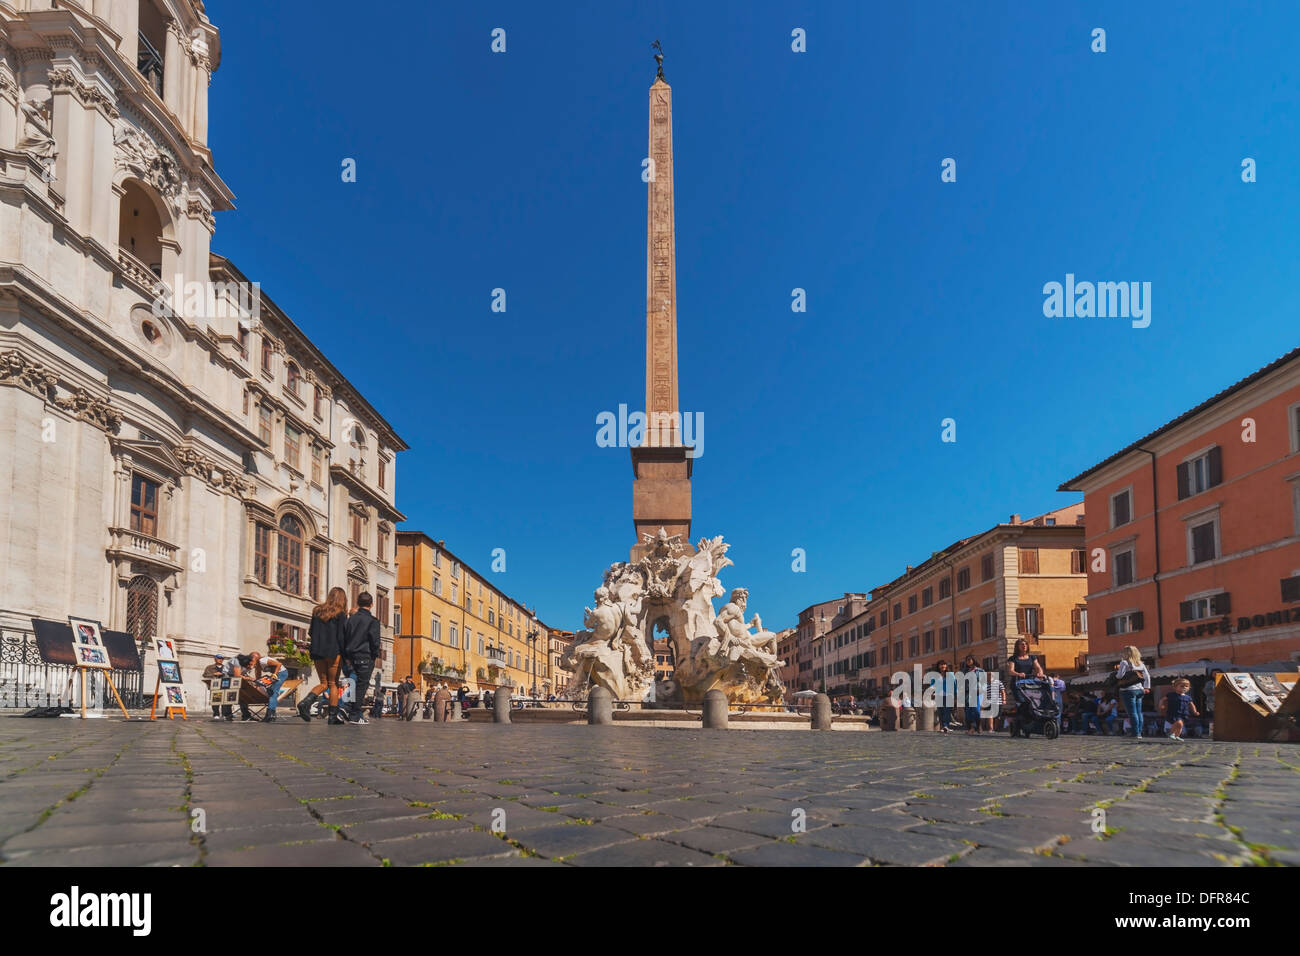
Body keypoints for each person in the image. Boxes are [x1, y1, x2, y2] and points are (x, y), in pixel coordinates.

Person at [299, 586, 347, 724]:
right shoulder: (341, 614)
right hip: (333, 652)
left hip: (317, 651)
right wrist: (345, 655)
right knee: (333, 684)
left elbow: (311, 632)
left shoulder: (317, 611)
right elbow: (341, 636)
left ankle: (305, 702)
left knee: (323, 683)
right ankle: (332, 717)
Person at [343, 591, 383, 724]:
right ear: (371, 604)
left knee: (353, 683)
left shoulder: (350, 619)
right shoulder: (373, 621)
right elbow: (375, 641)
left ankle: (349, 710)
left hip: (350, 656)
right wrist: (374, 654)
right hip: (365, 656)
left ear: (358, 604)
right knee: (362, 685)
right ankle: (354, 714)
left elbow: (345, 637)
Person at [1115, 645, 1151, 738]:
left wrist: (1116, 673)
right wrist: (1147, 687)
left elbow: (1119, 676)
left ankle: (1135, 733)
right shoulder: (1140, 664)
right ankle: (1139, 732)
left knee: (1132, 713)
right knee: (1139, 712)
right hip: (1140, 690)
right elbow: (1147, 676)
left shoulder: (1124, 663)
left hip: (1128, 690)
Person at [248, 651, 287, 722]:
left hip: (282, 673)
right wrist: (258, 683)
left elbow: (279, 664)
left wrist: (274, 674)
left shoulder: (263, 660)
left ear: (256, 658)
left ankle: (270, 716)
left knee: (273, 693)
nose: (250, 662)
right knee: (270, 692)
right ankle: (272, 714)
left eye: (252, 660)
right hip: (276, 674)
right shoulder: (258, 664)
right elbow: (258, 674)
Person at [960, 656, 983, 734]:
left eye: (969, 660)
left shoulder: (980, 671)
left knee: (976, 711)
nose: (968, 661)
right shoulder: (964, 671)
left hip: (976, 692)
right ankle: (971, 728)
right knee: (968, 712)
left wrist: (981, 689)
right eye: (967, 660)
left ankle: (978, 725)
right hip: (966, 693)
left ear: (974, 660)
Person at [931, 659, 956, 733]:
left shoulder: (950, 674)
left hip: (948, 695)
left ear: (946, 666)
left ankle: (946, 726)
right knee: (940, 711)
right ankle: (942, 726)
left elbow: (954, 684)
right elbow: (932, 684)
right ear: (938, 666)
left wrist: (955, 693)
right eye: (941, 664)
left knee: (947, 711)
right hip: (939, 695)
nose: (943, 666)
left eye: (944, 664)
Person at [202, 654, 226, 720]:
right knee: (215, 700)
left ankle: (224, 714)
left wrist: (224, 674)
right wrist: (214, 674)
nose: (220, 660)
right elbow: (205, 675)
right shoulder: (209, 667)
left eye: (222, 659)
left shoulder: (226, 667)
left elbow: (230, 674)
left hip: (224, 685)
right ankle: (216, 714)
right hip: (214, 685)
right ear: (215, 659)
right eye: (219, 658)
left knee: (224, 701)